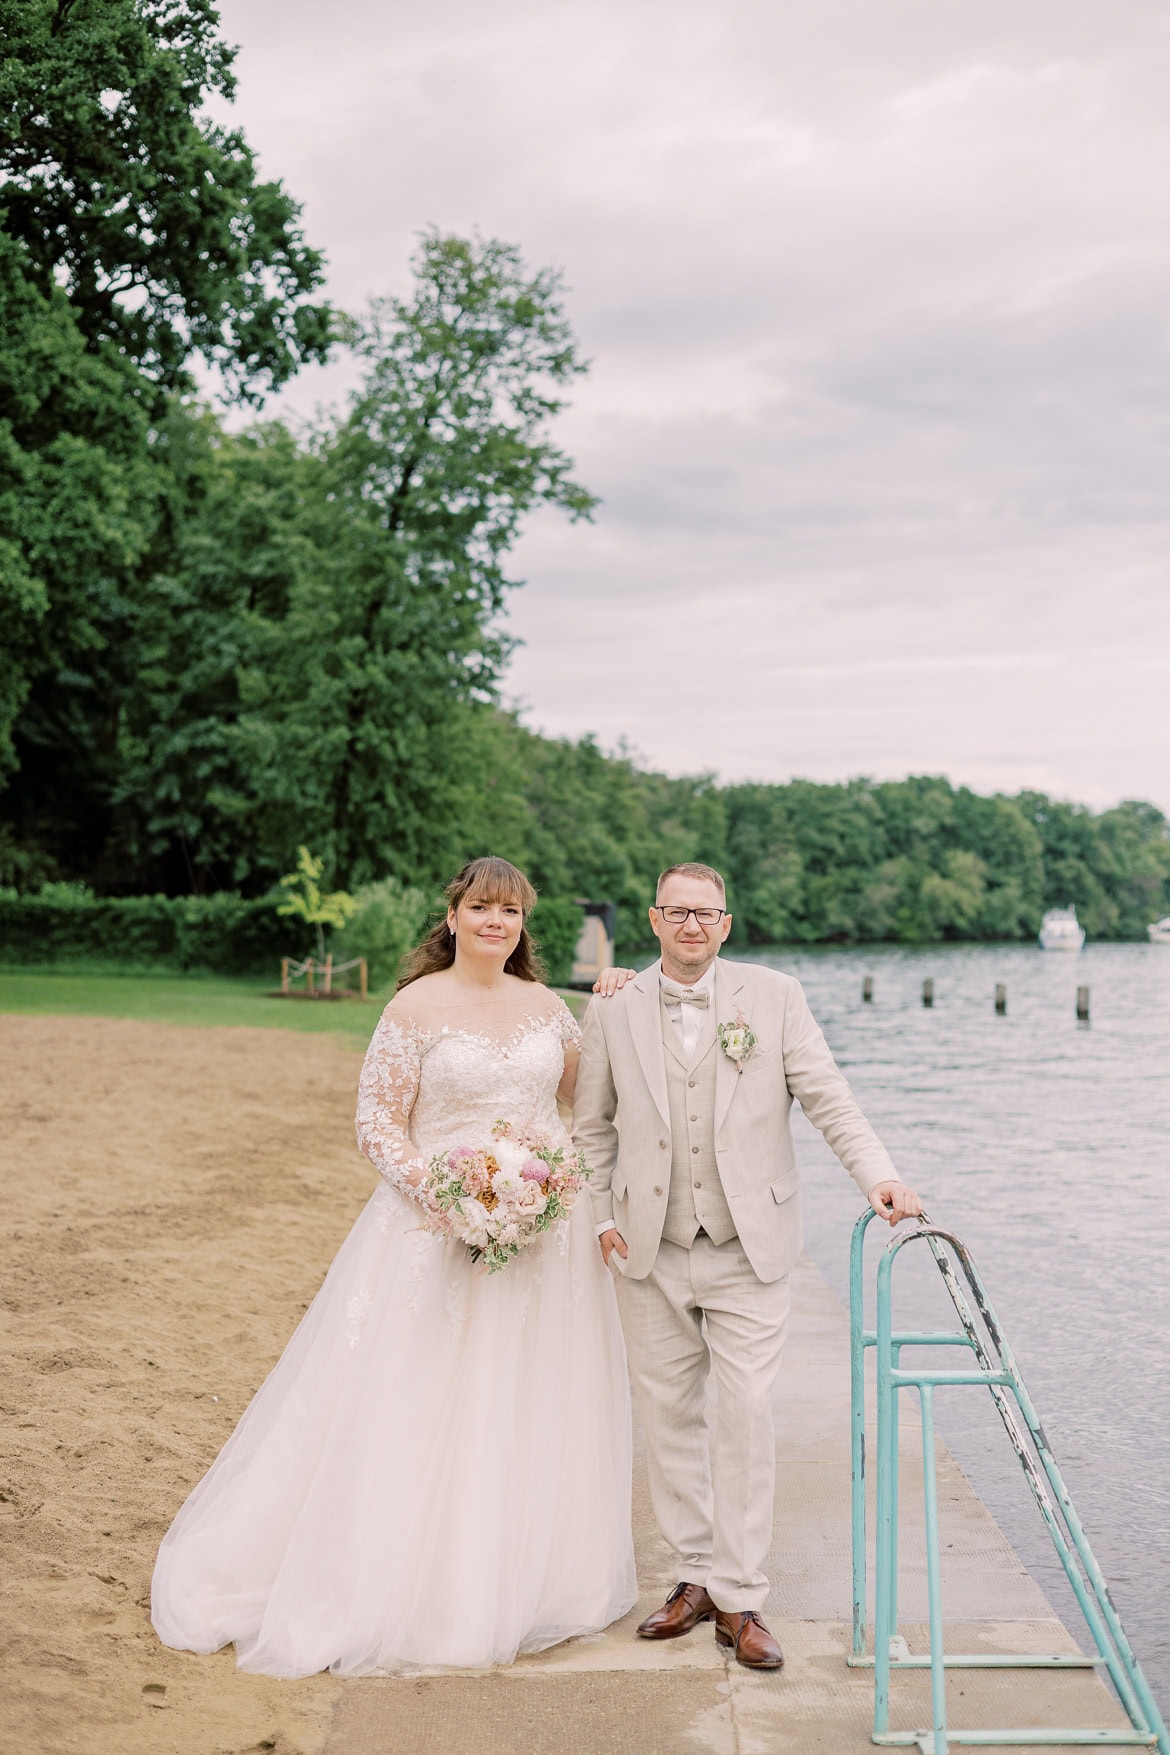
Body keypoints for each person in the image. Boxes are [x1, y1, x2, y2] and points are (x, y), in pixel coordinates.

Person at [151, 856, 636, 1678]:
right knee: (418, 1393)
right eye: (482, 906)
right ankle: (410, 1580)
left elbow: (591, 1106)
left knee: (526, 1393)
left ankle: (521, 1573)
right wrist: (448, 1193)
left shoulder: (551, 1007)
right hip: (433, 1227)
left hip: (542, 1233)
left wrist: (617, 1003)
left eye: (511, 911)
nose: (496, 921)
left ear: (524, 925)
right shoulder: (414, 1006)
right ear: (452, 916)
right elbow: (376, 1122)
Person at [574, 861, 921, 1670]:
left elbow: (829, 1097)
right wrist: (600, 1217)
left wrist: (879, 1175)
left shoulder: (775, 997)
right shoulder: (612, 1008)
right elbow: (591, 1126)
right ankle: (693, 1576)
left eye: (707, 912)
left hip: (749, 1245)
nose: (692, 925)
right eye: (677, 911)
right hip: (648, 1246)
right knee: (668, 1419)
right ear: (654, 920)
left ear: (726, 923)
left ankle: (741, 1592)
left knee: (747, 1413)